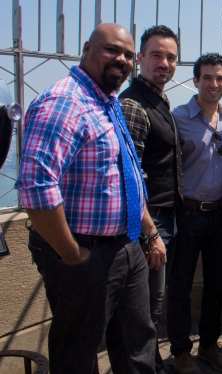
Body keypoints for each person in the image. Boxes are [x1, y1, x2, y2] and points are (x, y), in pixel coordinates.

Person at [15, 23, 166, 372]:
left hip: (126, 244)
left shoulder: (107, 102)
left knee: (137, 341)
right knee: (78, 349)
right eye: (112, 50)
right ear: (86, 49)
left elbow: (127, 177)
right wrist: (70, 253)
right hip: (86, 250)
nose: (122, 59)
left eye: (128, 54)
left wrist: (149, 233)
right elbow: (36, 187)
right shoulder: (65, 103)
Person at [118, 25, 182, 373]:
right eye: (156, 55)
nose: (164, 62)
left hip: (163, 215)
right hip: (149, 219)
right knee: (146, 306)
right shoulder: (133, 104)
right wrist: (150, 233)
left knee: (152, 303)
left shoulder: (157, 97)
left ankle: (149, 363)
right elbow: (130, 177)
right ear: (139, 58)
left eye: (171, 57)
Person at [168, 53, 222, 374]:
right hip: (188, 214)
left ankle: (209, 345)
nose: (214, 84)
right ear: (195, 81)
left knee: (216, 284)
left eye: (220, 78)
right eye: (207, 78)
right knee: (180, 285)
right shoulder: (178, 118)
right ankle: (181, 351)